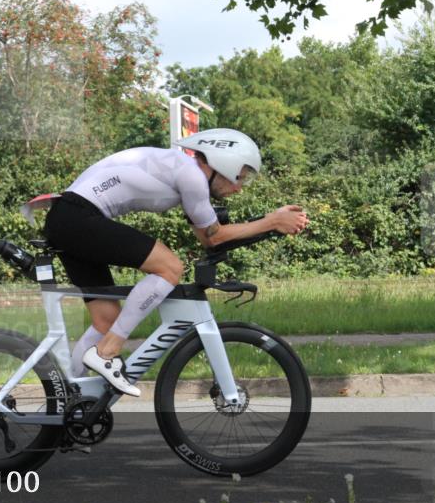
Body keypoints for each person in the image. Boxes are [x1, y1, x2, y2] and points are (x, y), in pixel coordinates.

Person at [43, 128, 309, 397]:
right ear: (223, 164)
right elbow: (215, 237)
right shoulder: (192, 176)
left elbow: (208, 238)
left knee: (106, 321)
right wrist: (272, 221)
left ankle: (68, 400)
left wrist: (270, 224)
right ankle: (107, 351)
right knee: (170, 267)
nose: (239, 188)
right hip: (78, 218)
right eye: (239, 177)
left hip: (68, 218)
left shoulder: (184, 171)